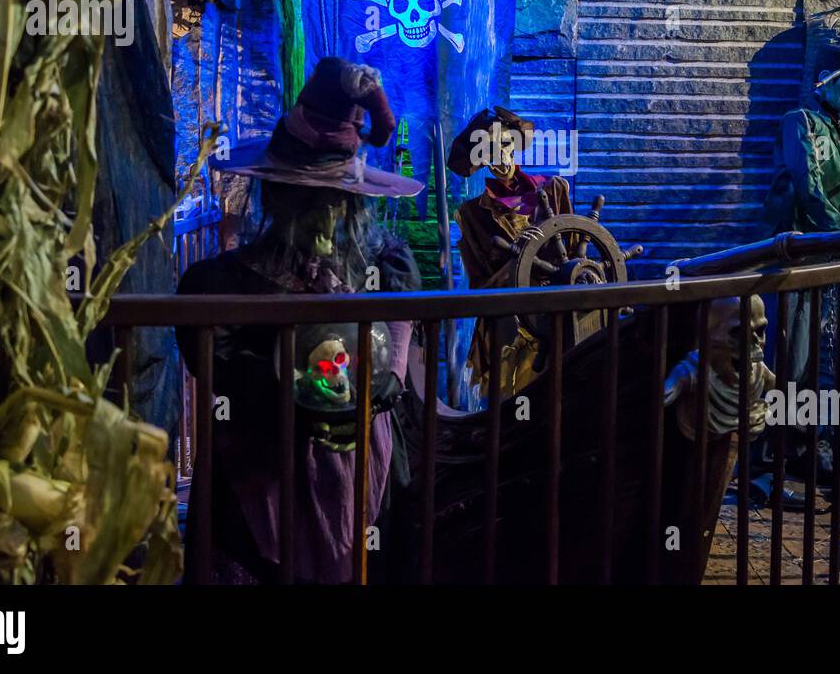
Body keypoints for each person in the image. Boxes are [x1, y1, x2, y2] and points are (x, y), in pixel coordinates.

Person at [176, 57, 422, 583]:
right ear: (281, 195)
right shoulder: (220, 286)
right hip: (259, 483)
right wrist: (294, 388)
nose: (327, 213)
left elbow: (391, 368)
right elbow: (221, 368)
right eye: (313, 198)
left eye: (336, 199)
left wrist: (365, 392)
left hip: (367, 478)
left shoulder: (387, 268)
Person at [757, 32, 840, 491]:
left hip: (825, 260)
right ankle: (765, 460)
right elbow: (811, 189)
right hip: (794, 260)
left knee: (818, 362)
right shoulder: (800, 122)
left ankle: (804, 448)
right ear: (826, 81)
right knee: (788, 358)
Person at [447, 106, 575, 399]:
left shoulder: (553, 190)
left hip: (558, 316)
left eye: (504, 145)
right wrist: (519, 259)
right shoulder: (471, 215)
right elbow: (480, 287)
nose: (500, 156)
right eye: (489, 150)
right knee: (513, 403)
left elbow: (575, 258)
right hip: (508, 326)